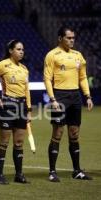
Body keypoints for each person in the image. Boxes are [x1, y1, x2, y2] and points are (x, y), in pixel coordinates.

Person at [44, 26, 94, 182]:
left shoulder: (78, 56)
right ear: (60, 38)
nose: (72, 40)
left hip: (75, 96)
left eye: (73, 38)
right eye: (69, 38)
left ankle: (77, 170)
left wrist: (87, 96)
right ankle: (52, 172)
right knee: (58, 133)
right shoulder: (52, 55)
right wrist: (52, 99)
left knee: (74, 134)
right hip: (60, 96)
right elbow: (47, 79)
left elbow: (82, 77)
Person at [0, 39, 31, 184]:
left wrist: (28, 109)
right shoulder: (3, 65)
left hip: (21, 107)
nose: (21, 52)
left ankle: (19, 175)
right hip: (7, 107)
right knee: (4, 142)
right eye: (18, 49)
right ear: (11, 50)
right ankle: (0, 175)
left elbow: (26, 90)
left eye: (22, 50)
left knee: (19, 142)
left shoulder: (24, 69)